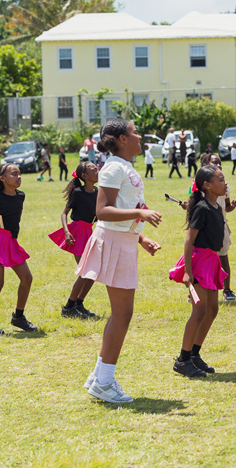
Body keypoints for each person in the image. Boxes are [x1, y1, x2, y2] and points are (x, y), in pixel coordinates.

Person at [77, 119, 162, 404]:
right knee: (122, 314)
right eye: (135, 132)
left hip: (123, 242)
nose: (140, 136)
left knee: (121, 313)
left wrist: (141, 238)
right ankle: (104, 382)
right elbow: (102, 210)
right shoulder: (114, 167)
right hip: (114, 244)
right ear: (122, 139)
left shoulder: (122, 166)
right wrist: (140, 216)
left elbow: (121, 209)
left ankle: (99, 376)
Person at [168, 165, 228, 378]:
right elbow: (189, 240)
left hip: (211, 259)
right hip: (200, 260)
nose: (225, 182)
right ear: (207, 185)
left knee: (212, 310)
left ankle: (194, 354)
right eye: (220, 180)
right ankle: (182, 360)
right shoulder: (202, 208)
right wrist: (188, 272)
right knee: (200, 310)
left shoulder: (216, 206)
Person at [0, 163, 38, 335]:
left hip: (10, 241)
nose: (18, 177)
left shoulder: (20, 196)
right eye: (14, 174)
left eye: (19, 173)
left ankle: (18, 317)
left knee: (27, 278)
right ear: (2, 178)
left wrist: (13, 238)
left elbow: (17, 218)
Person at [48, 161, 99, 319]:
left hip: (89, 232)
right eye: (93, 170)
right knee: (85, 270)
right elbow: (64, 213)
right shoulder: (78, 193)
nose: (97, 171)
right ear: (85, 176)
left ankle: (78, 303)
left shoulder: (97, 192)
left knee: (93, 272)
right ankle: (69, 307)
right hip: (77, 232)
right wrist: (66, 231)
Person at [201, 152, 236, 301]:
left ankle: (227, 290)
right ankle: (198, 291)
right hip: (205, 228)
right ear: (206, 165)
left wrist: (232, 206)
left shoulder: (225, 185)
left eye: (219, 163)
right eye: (214, 163)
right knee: (203, 261)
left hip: (221, 226)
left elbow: (227, 206)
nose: (218, 165)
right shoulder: (201, 185)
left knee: (223, 259)